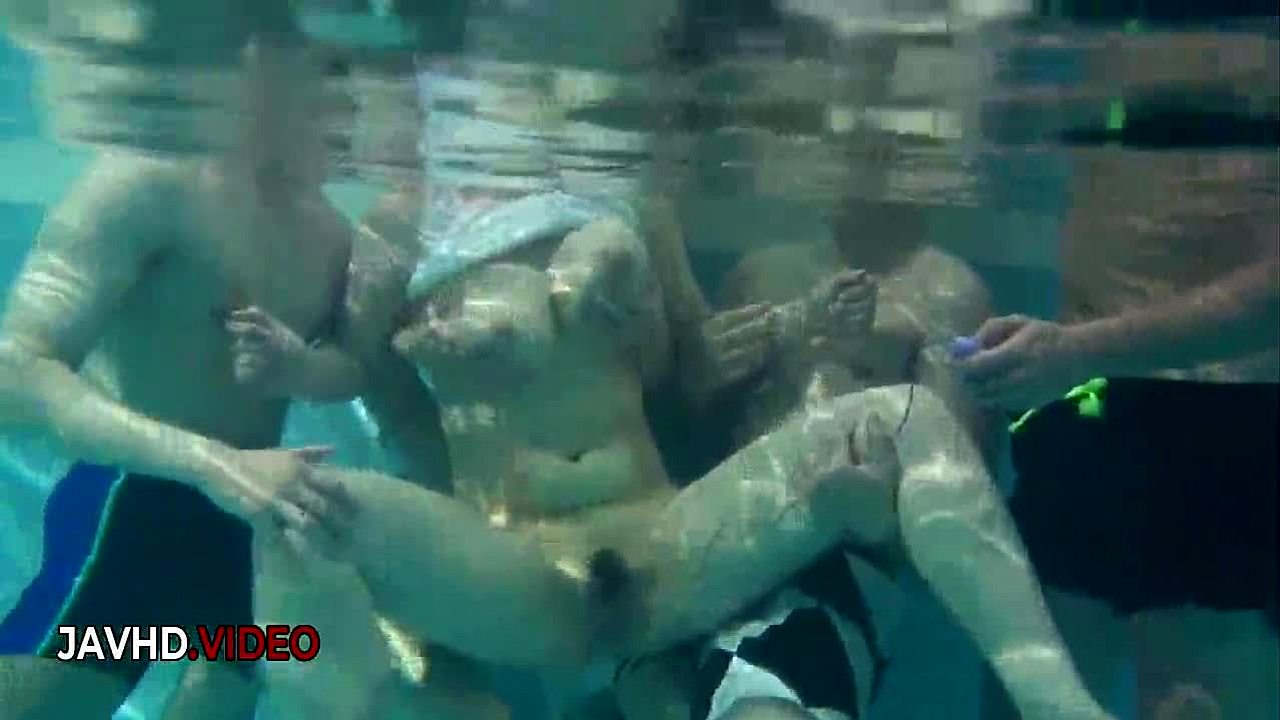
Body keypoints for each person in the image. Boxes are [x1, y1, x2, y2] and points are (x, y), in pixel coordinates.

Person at [249, 203, 1115, 719]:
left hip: (665, 548)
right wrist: (298, 368)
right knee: (296, 510)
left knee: (907, 416)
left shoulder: (630, 194)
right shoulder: (395, 224)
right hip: (518, 567)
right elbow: (372, 397)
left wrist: (792, 329)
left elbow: (694, 378)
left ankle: (1056, 701)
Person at [0, 34, 357, 719]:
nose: (348, 97)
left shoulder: (333, 235)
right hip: (123, 512)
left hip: (246, 527)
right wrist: (212, 463)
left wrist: (304, 368)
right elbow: (16, 368)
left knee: (228, 694)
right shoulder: (146, 182)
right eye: (330, 67)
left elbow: (356, 370)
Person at [963, 148, 1278, 720]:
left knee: (1196, 695)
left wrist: (1081, 350)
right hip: (1085, 396)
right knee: (1033, 690)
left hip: (1223, 411)